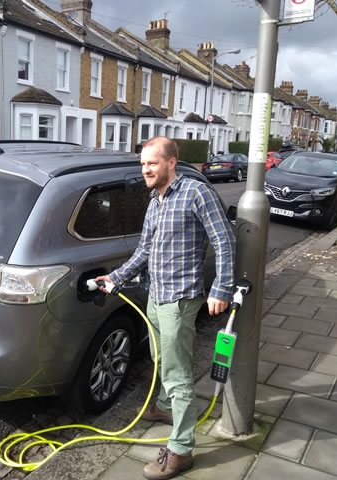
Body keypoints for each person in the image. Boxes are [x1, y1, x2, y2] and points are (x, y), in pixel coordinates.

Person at [95, 136, 235, 480]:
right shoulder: (155, 201)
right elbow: (144, 250)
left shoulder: (195, 192)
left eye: (152, 163)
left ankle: (181, 450)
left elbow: (223, 239)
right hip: (156, 297)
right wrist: (115, 278)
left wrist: (221, 287)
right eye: (143, 164)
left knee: (177, 373)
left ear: (171, 162)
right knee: (161, 358)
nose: (145, 169)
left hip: (180, 300)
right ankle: (165, 407)